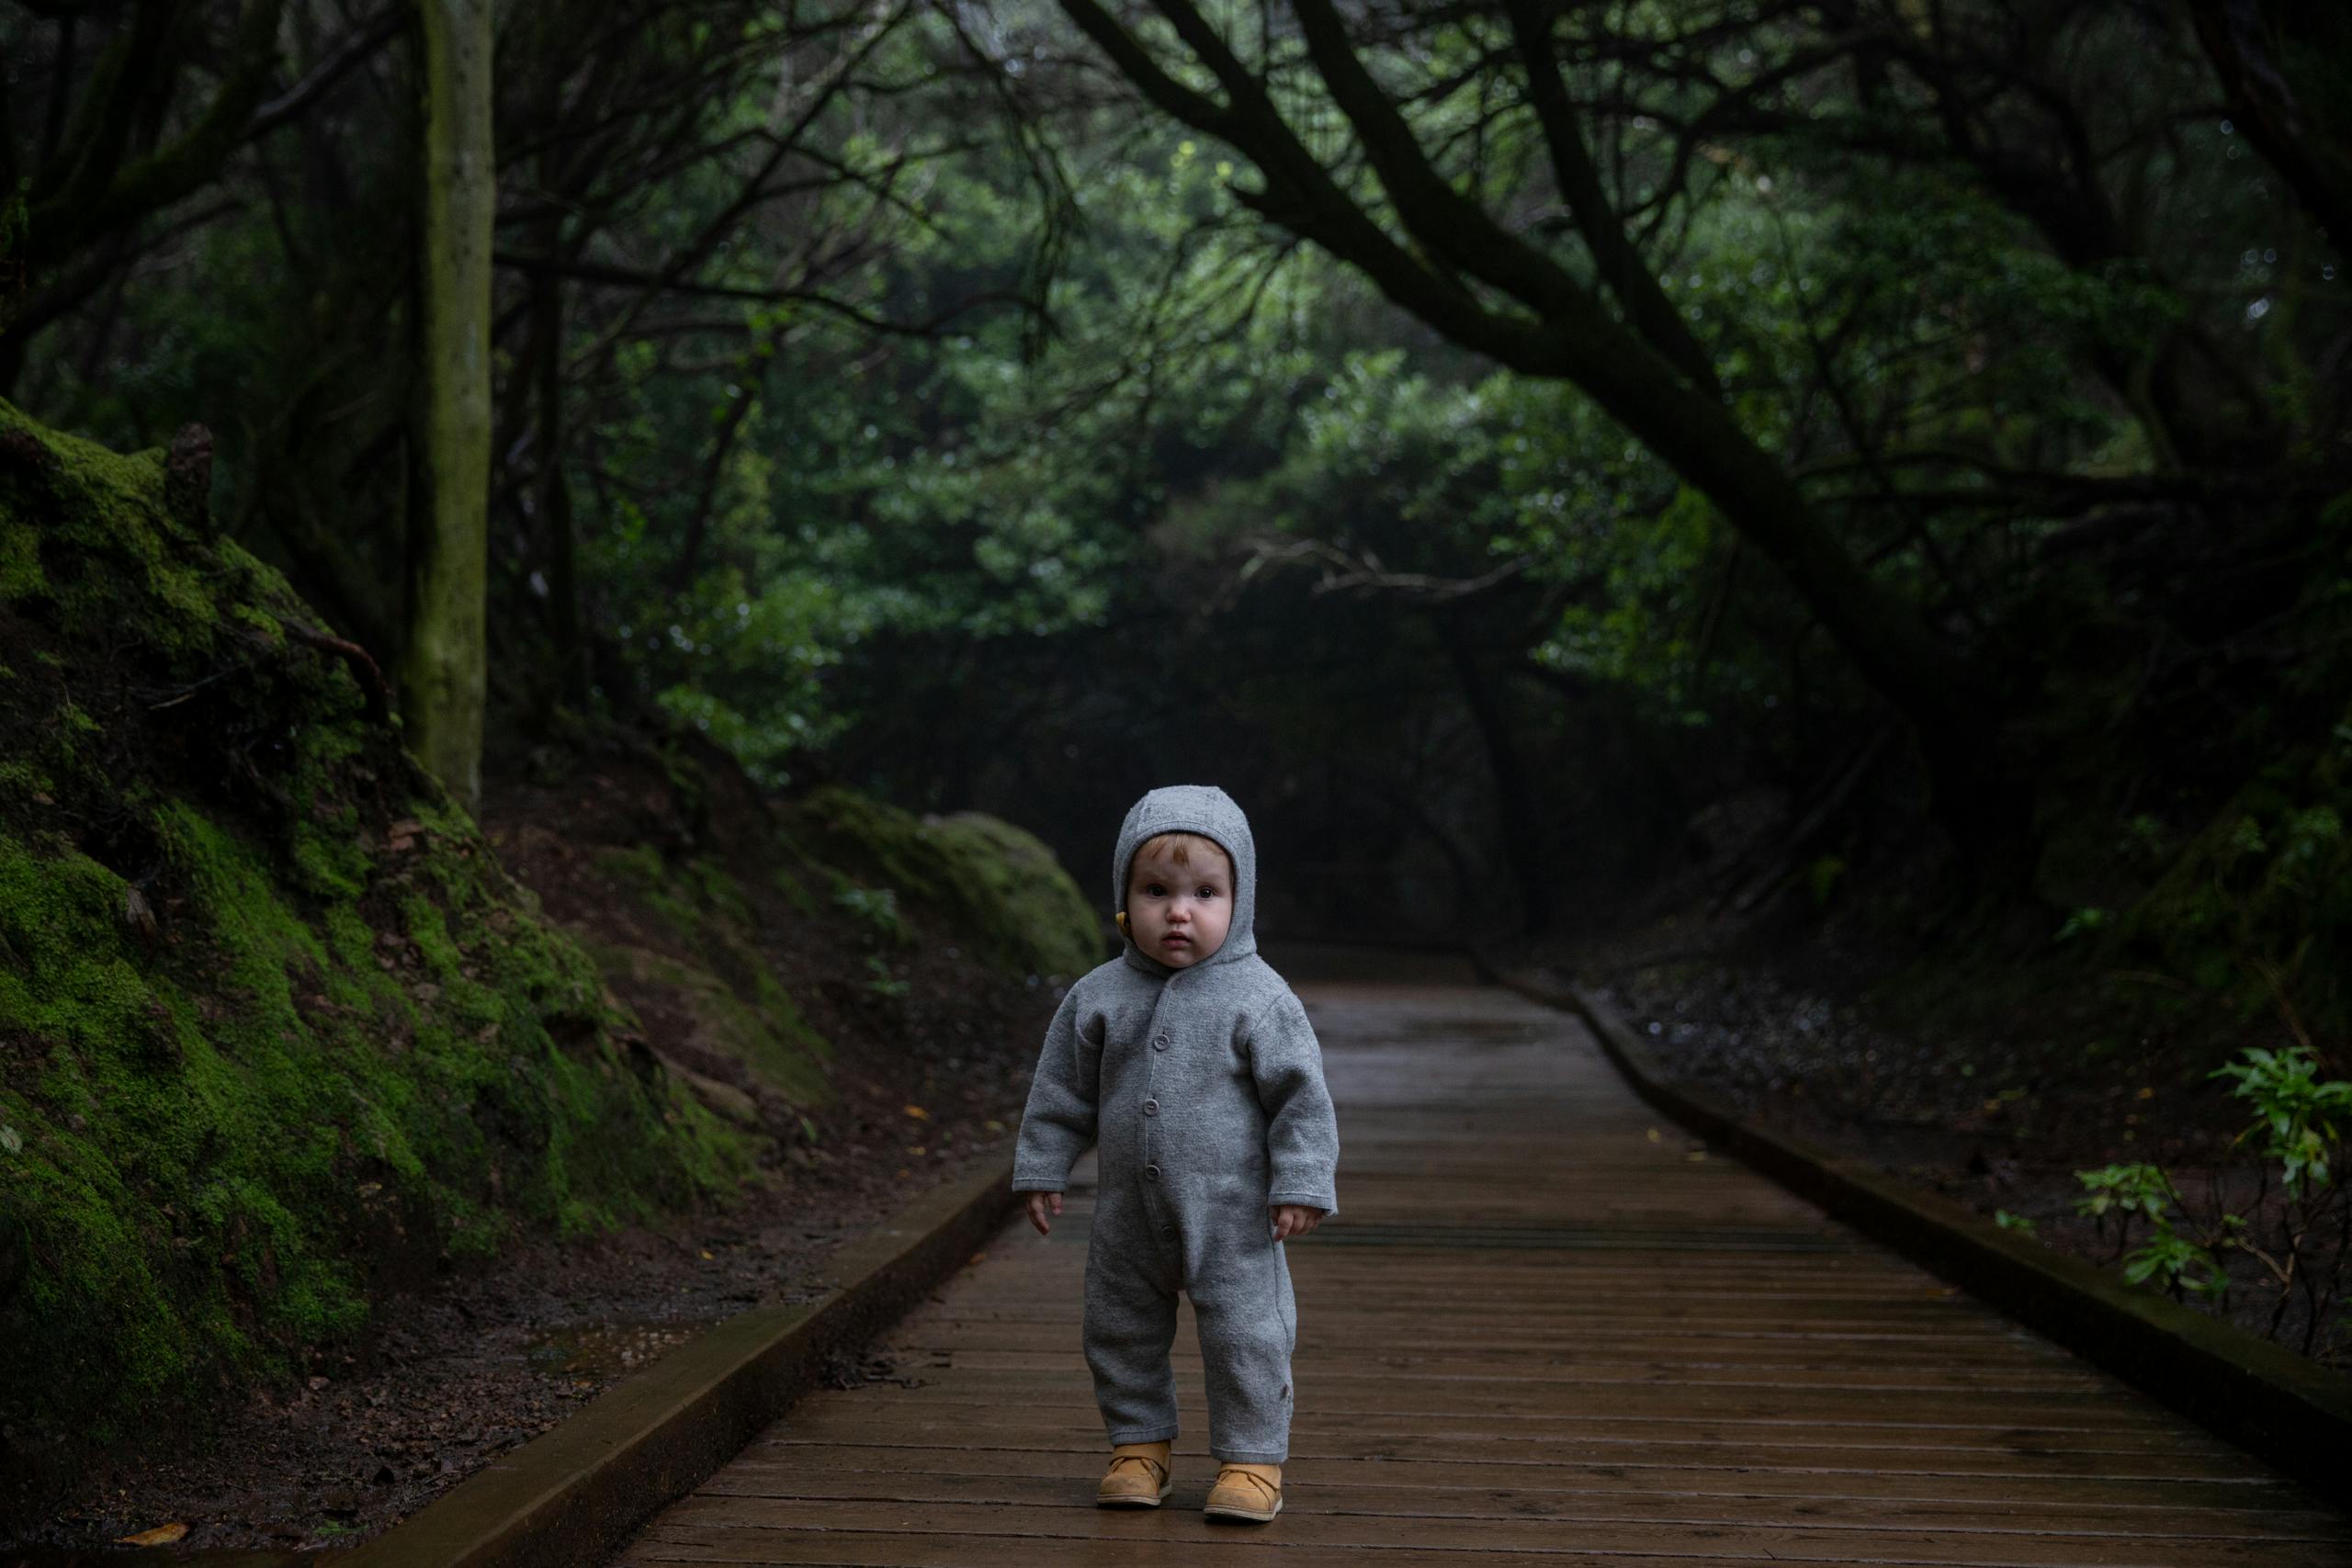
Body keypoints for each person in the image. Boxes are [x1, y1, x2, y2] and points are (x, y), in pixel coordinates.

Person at [1012, 784, 1340, 1525]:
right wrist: (1042, 1163)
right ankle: (1139, 1446)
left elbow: (1301, 1097)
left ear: (1241, 898)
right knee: (1119, 1326)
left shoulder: (1259, 997)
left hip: (1232, 1217)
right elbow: (1062, 1090)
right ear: (1126, 897)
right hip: (1127, 1214)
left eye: (1205, 892)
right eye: (1156, 890)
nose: (1179, 911)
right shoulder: (1098, 995)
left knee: (1246, 1334)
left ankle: (1253, 1458)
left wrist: (1302, 1180)